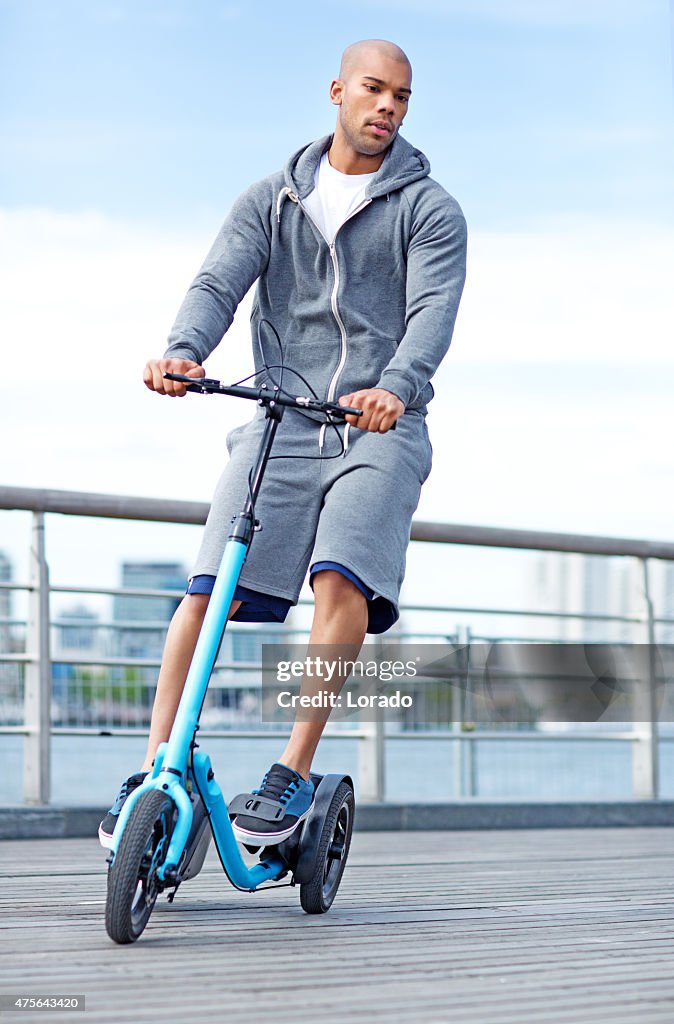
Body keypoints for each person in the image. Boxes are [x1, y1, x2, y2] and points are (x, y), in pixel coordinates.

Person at [99, 38, 467, 849]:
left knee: (341, 578)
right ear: (338, 90)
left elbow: (432, 316)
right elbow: (218, 281)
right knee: (206, 588)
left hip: (379, 429)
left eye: (401, 98)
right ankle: (158, 765)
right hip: (280, 421)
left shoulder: (429, 210)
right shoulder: (272, 200)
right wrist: (184, 348)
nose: (387, 108)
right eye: (374, 90)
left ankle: (291, 770)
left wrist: (394, 389)